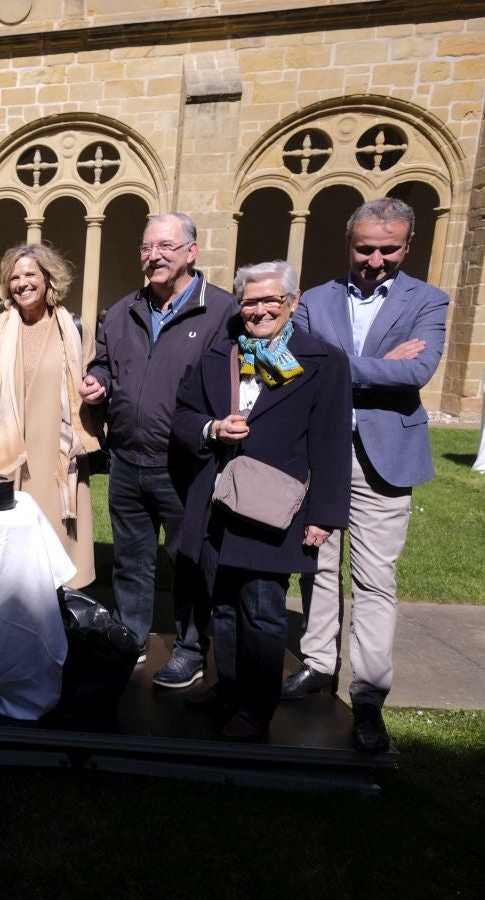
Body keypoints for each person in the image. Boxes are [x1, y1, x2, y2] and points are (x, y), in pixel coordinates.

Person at [284, 197, 450, 754]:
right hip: (321, 454)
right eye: (364, 248)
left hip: (384, 457)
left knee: (375, 579)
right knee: (318, 566)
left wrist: (334, 366)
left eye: (388, 249)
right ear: (347, 243)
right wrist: (377, 367)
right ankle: (317, 663)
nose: (375, 260)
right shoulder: (316, 298)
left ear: (408, 246)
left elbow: (418, 371)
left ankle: (370, 693)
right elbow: (290, 364)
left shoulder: (427, 299)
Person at [172, 260, 351, 740]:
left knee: (263, 611)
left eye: (271, 299)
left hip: (277, 508)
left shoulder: (322, 361)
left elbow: (331, 443)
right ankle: (229, 687)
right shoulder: (220, 356)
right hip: (219, 503)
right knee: (223, 604)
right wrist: (212, 428)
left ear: (291, 303)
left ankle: (257, 706)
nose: (259, 310)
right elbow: (183, 415)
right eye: (250, 301)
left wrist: (324, 516)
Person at [80, 212, 237, 686]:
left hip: (187, 464)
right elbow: (104, 363)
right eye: (147, 248)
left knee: (189, 562)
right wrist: (98, 383)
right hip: (128, 459)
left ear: (192, 251)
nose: (154, 256)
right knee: (132, 559)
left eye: (165, 246)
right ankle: (131, 636)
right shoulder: (123, 309)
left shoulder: (222, 311)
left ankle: (191, 647)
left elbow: (236, 382)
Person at [0, 243, 101, 589]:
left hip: (54, 454)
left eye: (30, 274)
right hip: (7, 456)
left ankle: (62, 619)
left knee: (56, 547)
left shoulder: (75, 330)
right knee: (8, 558)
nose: (22, 283)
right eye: (14, 277)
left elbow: (94, 383)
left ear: (48, 279)